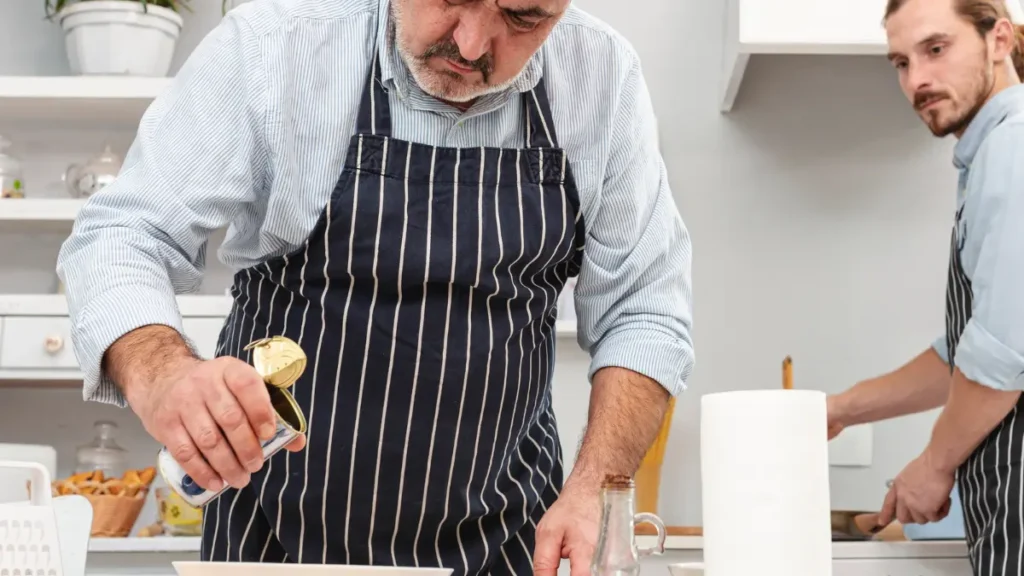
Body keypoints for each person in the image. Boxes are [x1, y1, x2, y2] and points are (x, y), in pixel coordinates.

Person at [55, 0, 694, 574]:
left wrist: (593, 493)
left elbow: (643, 309)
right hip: (277, 544)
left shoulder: (601, 76)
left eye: (523, 18)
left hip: (506, 544)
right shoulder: (275, 46)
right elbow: (123, 233)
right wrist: (163, 373)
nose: (471, 45)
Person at [827, 0, 1024, 572]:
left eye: (936, 49)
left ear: (999, 40)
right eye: (900, 62)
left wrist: (936, 463)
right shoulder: (991, 151)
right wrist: (841, 409)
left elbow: (1003, 352)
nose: (918, 80)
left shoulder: (1012, 148)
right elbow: (966, 351)